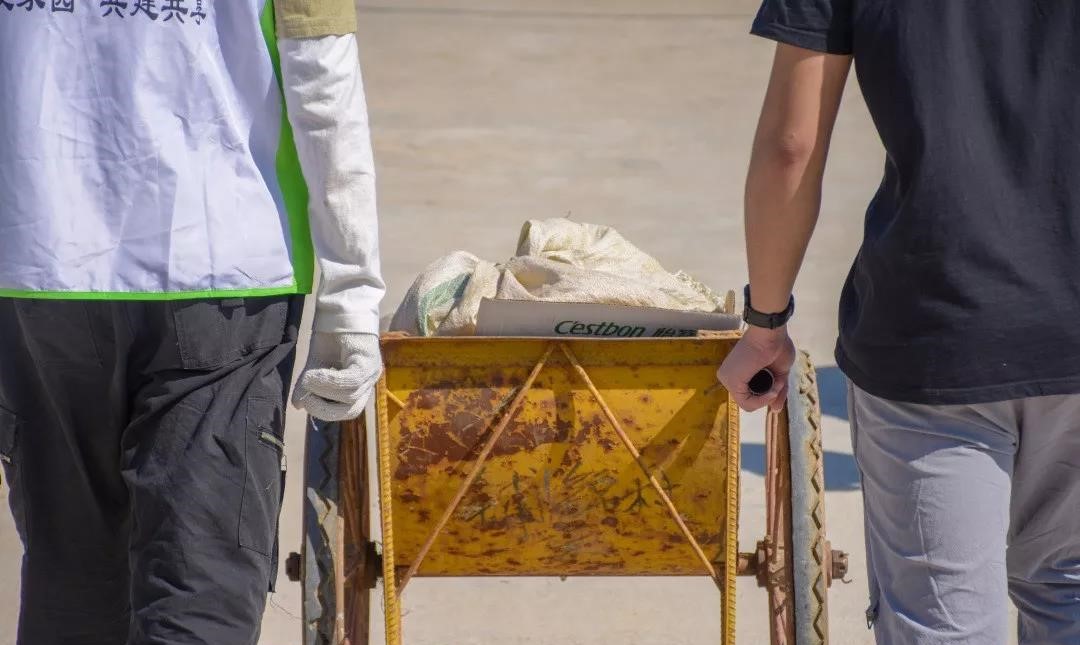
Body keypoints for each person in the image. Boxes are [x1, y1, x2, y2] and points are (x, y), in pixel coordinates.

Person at [0, 1, 384, 643]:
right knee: (201, 574)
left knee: (73, 569)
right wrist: (351, 296)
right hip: (219, 268)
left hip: (42, 262)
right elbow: (323, 76)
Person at [718, 2, 1080, 643]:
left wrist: (765, 323)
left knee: (943, 625)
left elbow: (790, 148)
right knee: (1069, 593)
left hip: (937, 329)